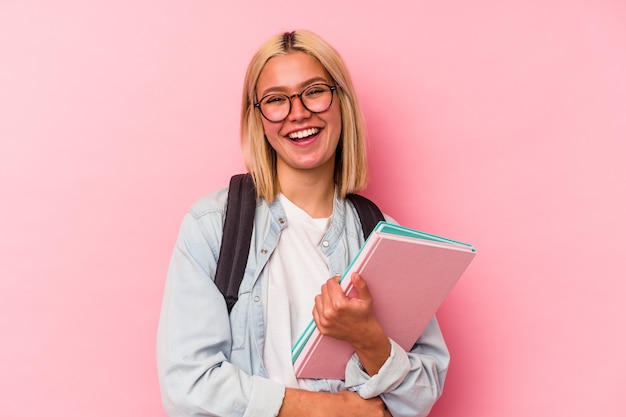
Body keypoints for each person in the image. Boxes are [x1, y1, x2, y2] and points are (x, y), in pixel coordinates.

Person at [157, 30, 450, 417]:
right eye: (276, 100)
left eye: (314, 91)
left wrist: (370, 340)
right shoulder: (214, 226)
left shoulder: (380, 236)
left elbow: (422, 391)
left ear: (340, 103)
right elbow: (188, 385)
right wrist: (333, 411)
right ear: (258, 118)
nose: (298, 113)